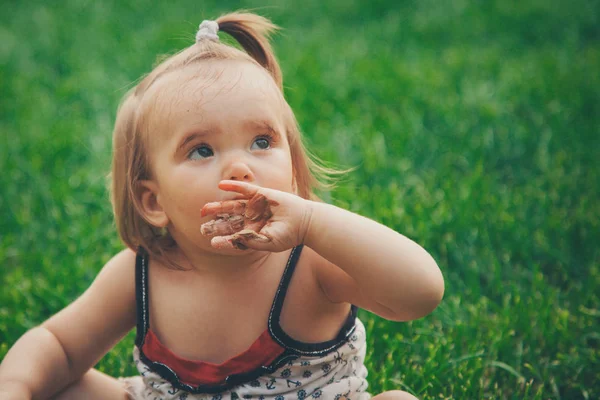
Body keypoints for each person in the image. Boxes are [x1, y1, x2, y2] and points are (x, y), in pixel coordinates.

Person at [0, 12, 444, 400]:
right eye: (201, 151)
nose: (241, 166)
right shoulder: (140, 273)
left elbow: (420, 292)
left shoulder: (311, 263)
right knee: (62, 388)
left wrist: (312, 222)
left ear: (291, 167)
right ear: (153, 201)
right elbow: (59, 345)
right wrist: (15, 387)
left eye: (262, 142)